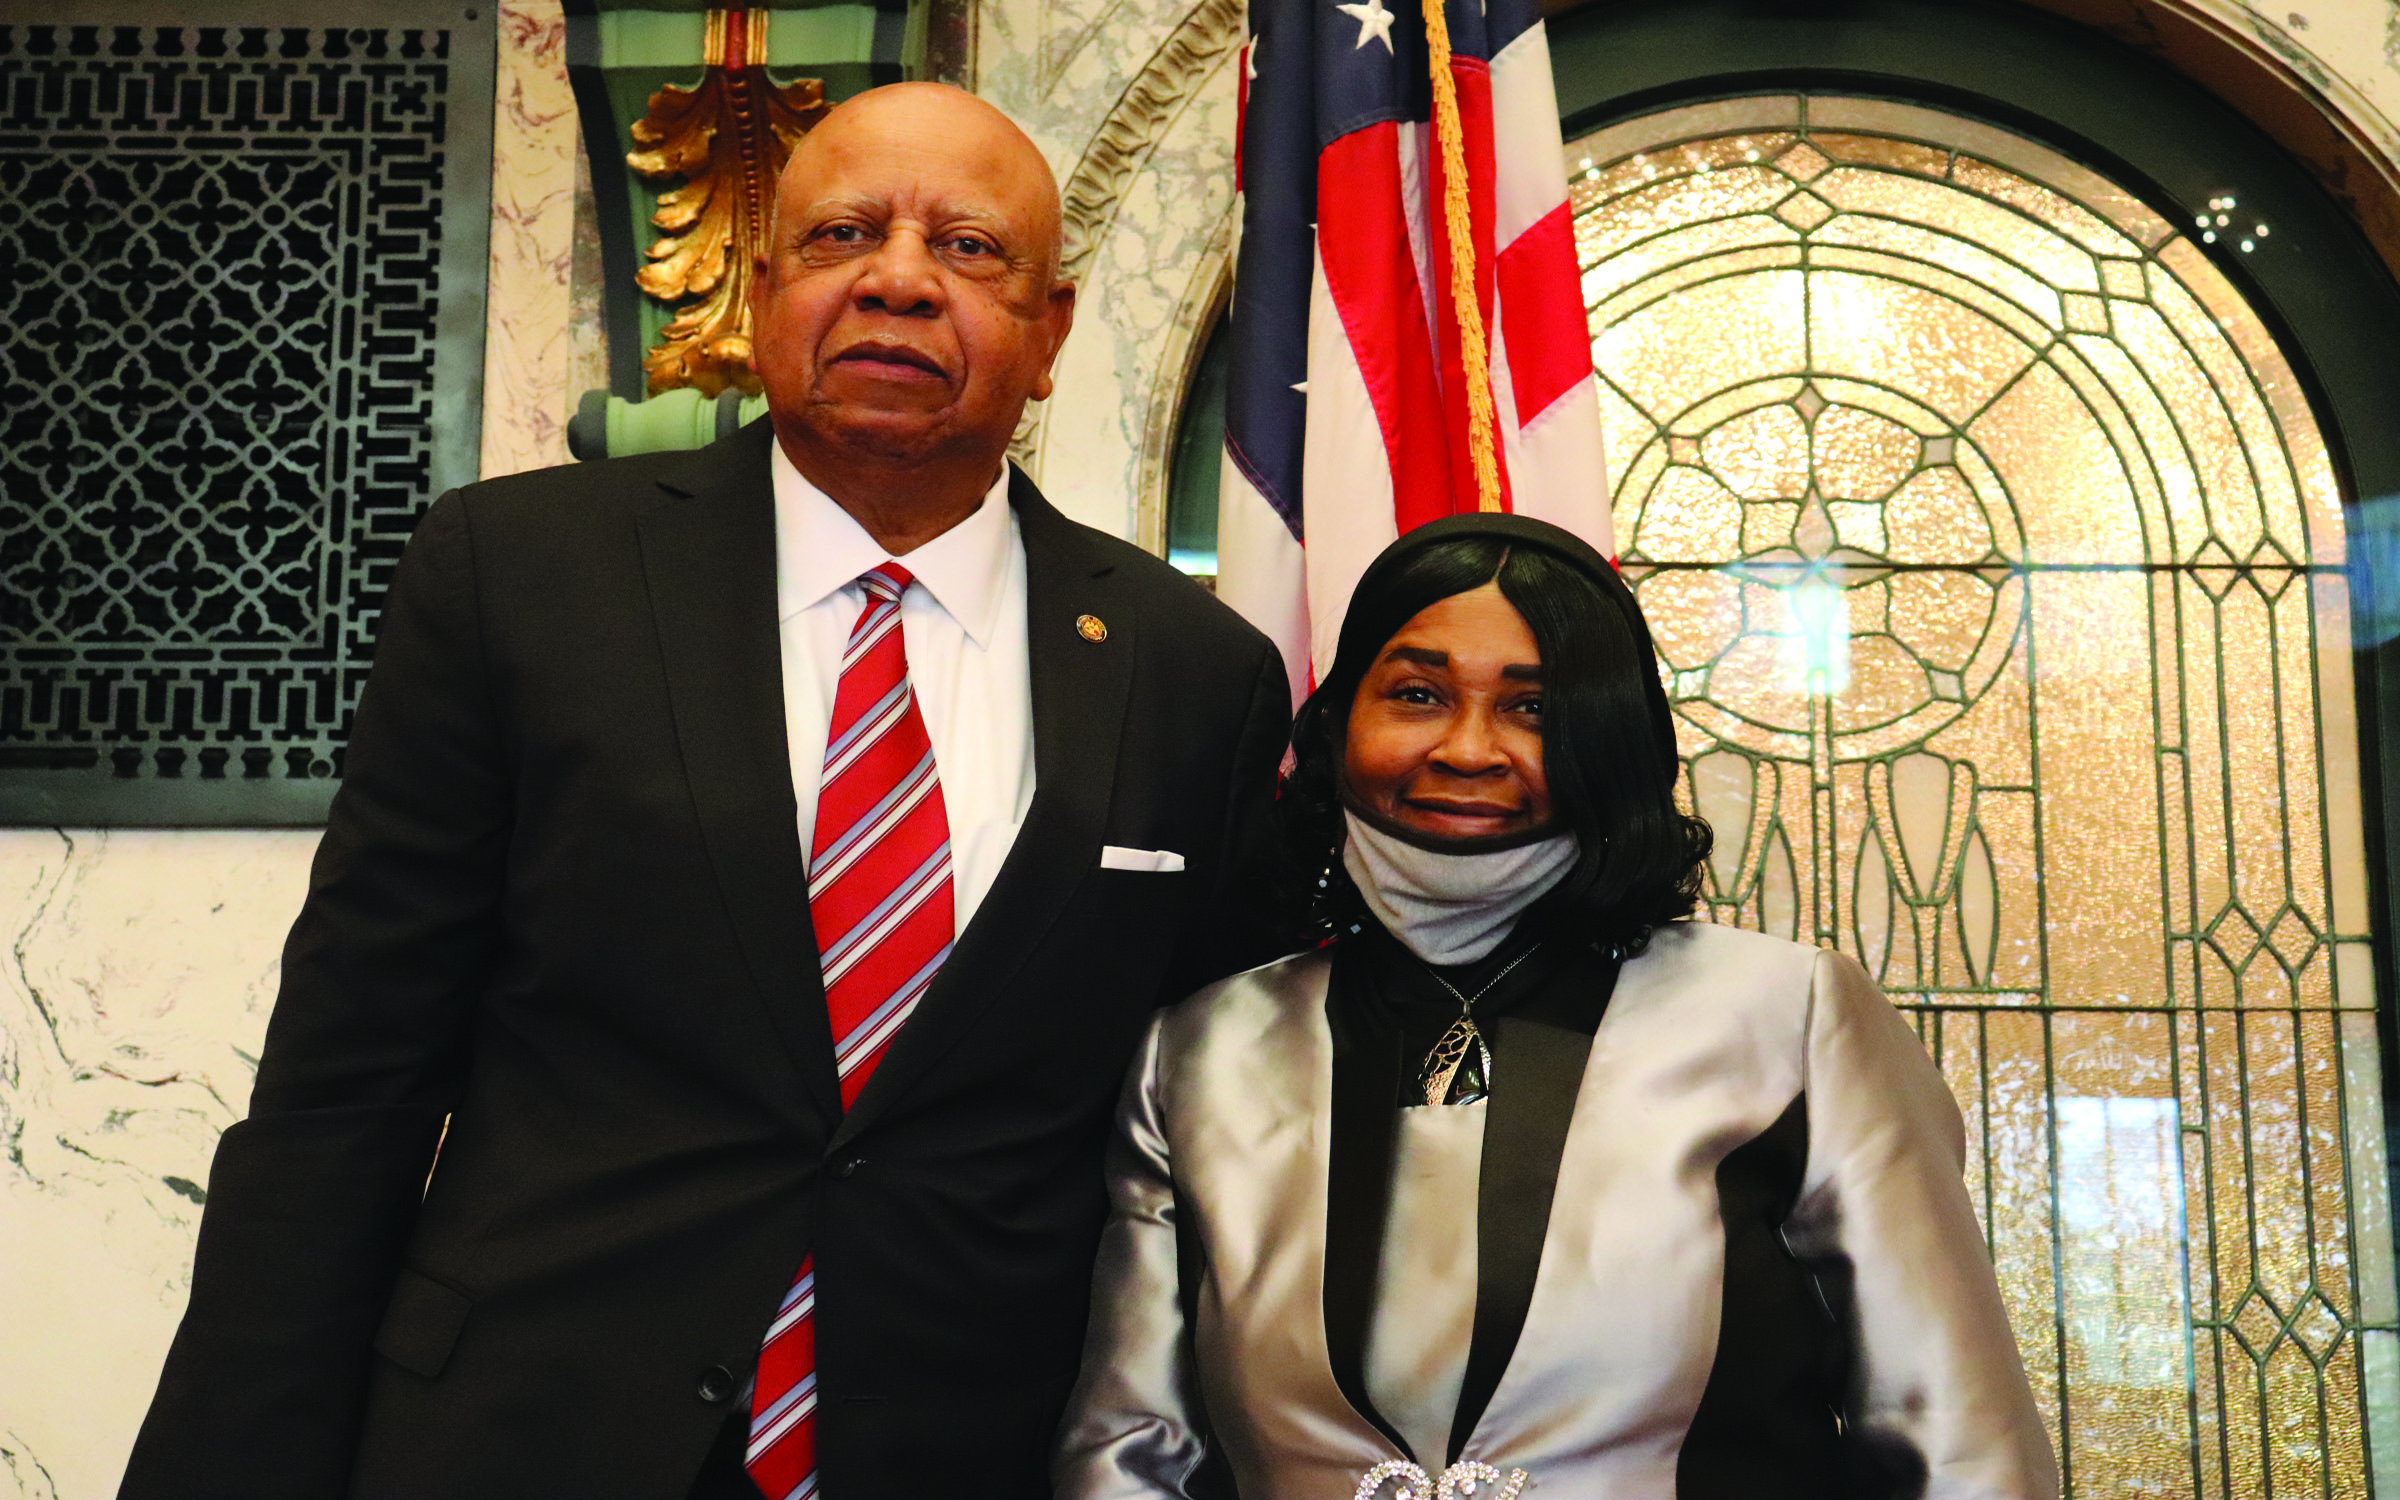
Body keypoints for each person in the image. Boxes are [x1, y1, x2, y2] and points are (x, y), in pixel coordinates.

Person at [120, 84, 1292, 1500]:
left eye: (969, 248)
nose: (898, 280)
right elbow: (348, 1078)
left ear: (1048, 333)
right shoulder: (520, 576)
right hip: (526, 1436)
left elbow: (1209, 1131)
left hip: (969, 1451)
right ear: (762, 292)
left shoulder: (1192, 671)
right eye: (841, 235)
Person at [1055, 513, 2059, 1500]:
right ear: (1337, 721)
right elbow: (1129, 1455)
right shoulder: (1200, 1050)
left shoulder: (1788, 1018)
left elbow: (1963, 1452)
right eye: (1416, 694)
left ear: (1613, 740)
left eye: (1534, 708)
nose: (1468, 749)